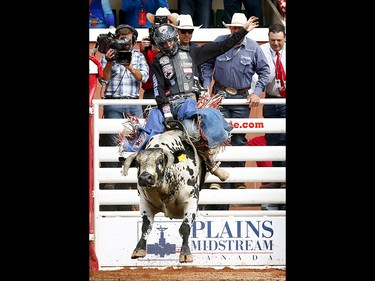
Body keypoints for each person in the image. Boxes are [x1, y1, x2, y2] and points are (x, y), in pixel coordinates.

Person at [149, 16, 260, 182]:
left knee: (192, 131)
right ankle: (150, 173)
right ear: (158, 45)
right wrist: (166, 114)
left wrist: (243, 31)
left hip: (190, 104)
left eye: (170, 41)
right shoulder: (158, 61)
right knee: (150, 136)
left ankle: (210, 165)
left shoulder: (194, 52)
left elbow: (223, 46)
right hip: (169, 105)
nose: (168, 45)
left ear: (175, 38)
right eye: (164, 43)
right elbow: (158, 89)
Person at [200, 13, 269, 202]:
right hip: (219, 95)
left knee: (239, 138)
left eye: (238, 28)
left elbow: (264, 71)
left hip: (241, 97)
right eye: (232, 28)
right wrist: (206, 87)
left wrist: (257, 91)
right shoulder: (220, 41)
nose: (234, 31)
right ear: (228, 28)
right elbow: (206, 64)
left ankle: (237, 178)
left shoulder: (253, 47)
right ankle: (217, 178)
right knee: (217, 135)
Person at [99, 24, 149, 195]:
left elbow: (143, 77)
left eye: (128, 38)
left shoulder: (139, 56)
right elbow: (103, 80)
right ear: (117, 39)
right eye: (121, 38)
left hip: (134, 104)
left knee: (137, 142)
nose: (125, 41)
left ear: (133, 40)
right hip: (113, 103)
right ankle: (111, 181)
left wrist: (129, 66)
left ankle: (133, 181)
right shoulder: (109, 55)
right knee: (113, 142)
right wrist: (110, 62)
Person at [251, 23, 286, 210]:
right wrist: (254, 92)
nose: (276, 44)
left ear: (284, 38)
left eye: (279, 40)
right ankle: (277, 179)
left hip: (286, 100)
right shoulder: (261, 50)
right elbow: (256, 76)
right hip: (272, 100)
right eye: (272, 40)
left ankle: (284, 180)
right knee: (273, 142)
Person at [140, 8, 179, 113]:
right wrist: (144, 50)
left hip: (171, 89)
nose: (161, 25)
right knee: (149, 121)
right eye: (158, 21)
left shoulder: (174, 40)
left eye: (164, 21)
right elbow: (149, 67)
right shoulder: (150, 40)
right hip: (151, 89)